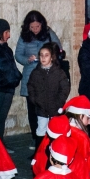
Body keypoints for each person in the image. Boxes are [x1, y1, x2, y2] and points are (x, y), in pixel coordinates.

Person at [15, 11, 62, 148]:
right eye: (32, 27)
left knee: (47, 107)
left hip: (47, 75)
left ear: (42, 24)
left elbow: (58, 49)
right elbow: (18, 55)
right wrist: (27, 60)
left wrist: (48, 58)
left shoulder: (48, 33)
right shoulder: (24, 37)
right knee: (33, 109)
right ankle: (36, 137)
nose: (35, 30)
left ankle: (48, 136)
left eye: (37, 27)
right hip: (30, 74)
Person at [27, 42, 70, 140]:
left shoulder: (58, 72)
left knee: (55, 131)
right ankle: (40, 152)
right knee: (41, 131)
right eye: (41, 55)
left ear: (52, 57)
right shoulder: (36, 73)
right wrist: (35, 100)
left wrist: (59, 102)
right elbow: (30, 86)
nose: (43, 58)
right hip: (41, 108)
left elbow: (64, 88)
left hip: (55, 107)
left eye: (46, 55)